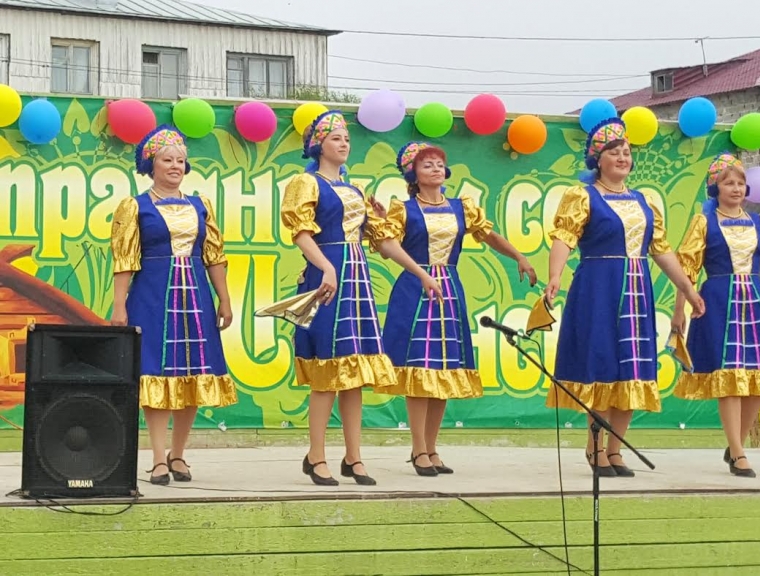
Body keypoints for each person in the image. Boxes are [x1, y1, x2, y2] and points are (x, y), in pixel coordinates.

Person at [280, 110, 443, 486]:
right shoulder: (307, 183)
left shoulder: (354, 191)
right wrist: (326, 267)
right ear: (318, 145)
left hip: (357, 279)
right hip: (328, 277)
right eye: (335, 137)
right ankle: (316, 455)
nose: (344, 143)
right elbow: (301, 233)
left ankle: (353, 457)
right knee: (327, 373)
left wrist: (421, 273)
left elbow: (384, 244)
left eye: (346, 138)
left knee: (353, 371)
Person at [543, 117, 705, 478]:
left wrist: (688, 288)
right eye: (614, 152)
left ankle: (615, 450)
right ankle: (595, 446)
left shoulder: (644, 200)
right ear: (597, 159)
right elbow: (563, 238)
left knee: (632, 366)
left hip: (636, 290)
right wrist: (555, 275)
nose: (622, 157)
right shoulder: (582, 195)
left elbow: (661, 250)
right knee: (601, 364)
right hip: (599, 287)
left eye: (627, 152)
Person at [374, 142, 538, 476]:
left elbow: (488, 235)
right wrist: (420, 272)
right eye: (426, 164)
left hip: (448, 288)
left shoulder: (461, 207)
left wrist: (518, 255)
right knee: (419, 372)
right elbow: (385, 247)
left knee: (444, 370)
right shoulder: (402, 209)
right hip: (415, 290)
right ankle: (418, 449)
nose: (435, 168)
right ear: (413, 174)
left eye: (439, 163)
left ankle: (432, 449)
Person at [110, 125, 237, 485]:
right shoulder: (135, 206)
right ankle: (157, 458)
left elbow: (214, 256)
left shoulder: (201, 205)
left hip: (195, 295)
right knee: (156, 373)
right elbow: (124, 260)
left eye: (181, 160)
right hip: (153, 294)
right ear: (151, 164)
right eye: (167, 159)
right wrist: (120, 306)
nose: (175, 166)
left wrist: (224, 298)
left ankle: (179, 455)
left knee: (192, 374)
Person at [674, 153, 760, 478]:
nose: (735, 188)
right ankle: (739, 450)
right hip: (717, 300)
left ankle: (735, 447)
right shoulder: (704, 222)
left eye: (740, 182)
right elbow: (686, 268)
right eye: (727, 182)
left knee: (759, 378)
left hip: (753, 301)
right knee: (730, 377)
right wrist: (680, 311)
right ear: (714, 188)